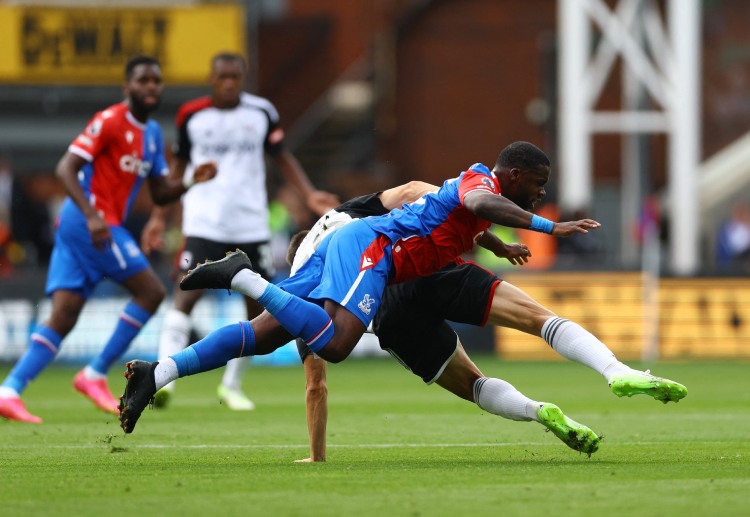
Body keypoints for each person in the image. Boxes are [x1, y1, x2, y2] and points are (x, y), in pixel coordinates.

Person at [119, 141, 618, 437]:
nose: (543, 192)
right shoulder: (466, 186)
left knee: (265, 332)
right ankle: (241, 275)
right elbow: (424, 195)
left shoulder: (326, 238)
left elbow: (451, 206)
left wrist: (491, 243)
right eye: (539, 183)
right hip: (368, 247)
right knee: (335, 344)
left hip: (336, 245)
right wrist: (546, 229)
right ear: (513, 176)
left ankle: (157, 372)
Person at [284, 186, 687, 461]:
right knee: (540, 320)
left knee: (475, 384)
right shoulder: (344, 214)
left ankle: (537, 410)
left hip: (391, 315)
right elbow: (416, 193)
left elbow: (315, 385)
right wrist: (492, 240)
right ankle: (616, 371)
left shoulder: (302, 282)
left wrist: (317, 455)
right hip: (423, 268)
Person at [0, 55, 217, 424]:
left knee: (64, 314)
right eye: (143, 80)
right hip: (91, 224)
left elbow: (162, 191)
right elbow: (65, 167)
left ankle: (9, 391)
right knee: (150, 292)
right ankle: (95, 373)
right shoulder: (110, 120)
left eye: (156, 81)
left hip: (89, 226)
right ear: (127, 87)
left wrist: (192, 180)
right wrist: (92, 215)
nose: (150, 87)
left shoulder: (151, 136)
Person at [141, 52, 339, 411]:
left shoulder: (261, 112)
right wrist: (159, 216)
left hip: (251, 223)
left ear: (243, 78)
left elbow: (282, 157)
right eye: (223, 77)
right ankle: (159, 377)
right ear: (211, 78)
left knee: (261, 306)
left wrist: (308, 194)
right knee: (185, 294)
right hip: (204, 222)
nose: (229, 83)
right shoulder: (192, 116)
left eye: (236, 76)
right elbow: (176, 170)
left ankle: (231, 386)